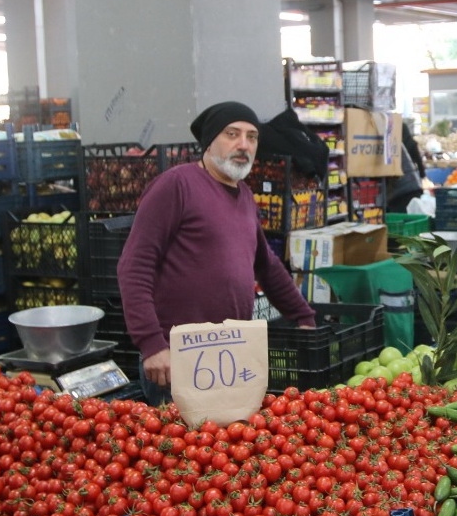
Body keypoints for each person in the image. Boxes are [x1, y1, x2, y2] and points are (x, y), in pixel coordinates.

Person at [118, 100, 317, 406]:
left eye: (252, 137)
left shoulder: (245, 195)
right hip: (179, 360)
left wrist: (304, 316)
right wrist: (151, 344)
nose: (244, 145)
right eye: (232, 134)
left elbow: (267, 265)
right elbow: (134, 266)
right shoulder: (177, 185)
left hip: (230, 357)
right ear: (209, 142)